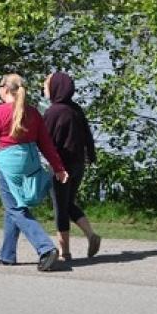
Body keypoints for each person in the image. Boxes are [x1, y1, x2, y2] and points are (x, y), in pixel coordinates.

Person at [0, 73, 69, 272]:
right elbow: (46, 144)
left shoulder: (0, 111)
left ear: (5, 89)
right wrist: (58, 168)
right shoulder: (33, 112)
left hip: (9, 163)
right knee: (12, 206)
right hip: (29, 161)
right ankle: (7, 254)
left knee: (15, 208)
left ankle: (45, 248)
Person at [43, 71, 102, 261]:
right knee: (68, 204)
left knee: (60, 207)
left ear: (56, 88)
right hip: (78, 165)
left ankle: (64, 251)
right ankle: (91, 234)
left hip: (61, 167)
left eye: (46, 84)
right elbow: (88, 136)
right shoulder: (76, 109)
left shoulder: (53, 112)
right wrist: (91, 156)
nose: (44, 87)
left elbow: (45, 140)